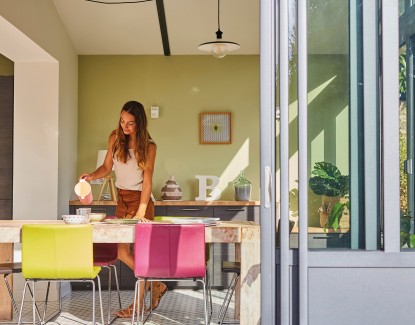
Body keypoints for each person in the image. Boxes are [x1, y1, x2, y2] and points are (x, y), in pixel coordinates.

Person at [80, 100, 167, 318]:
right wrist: (91, 176)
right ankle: (156, 284)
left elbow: (147, 182)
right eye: (121, 121)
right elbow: (107, 167)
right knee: (120, 251)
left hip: (142, 201)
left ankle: (137, 305)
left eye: (130, 123)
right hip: (122, 200)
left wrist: (141, 212)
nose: (124, 127)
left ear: (140, 123)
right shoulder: (114, 138)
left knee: (141, 254)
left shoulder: (149, 147)